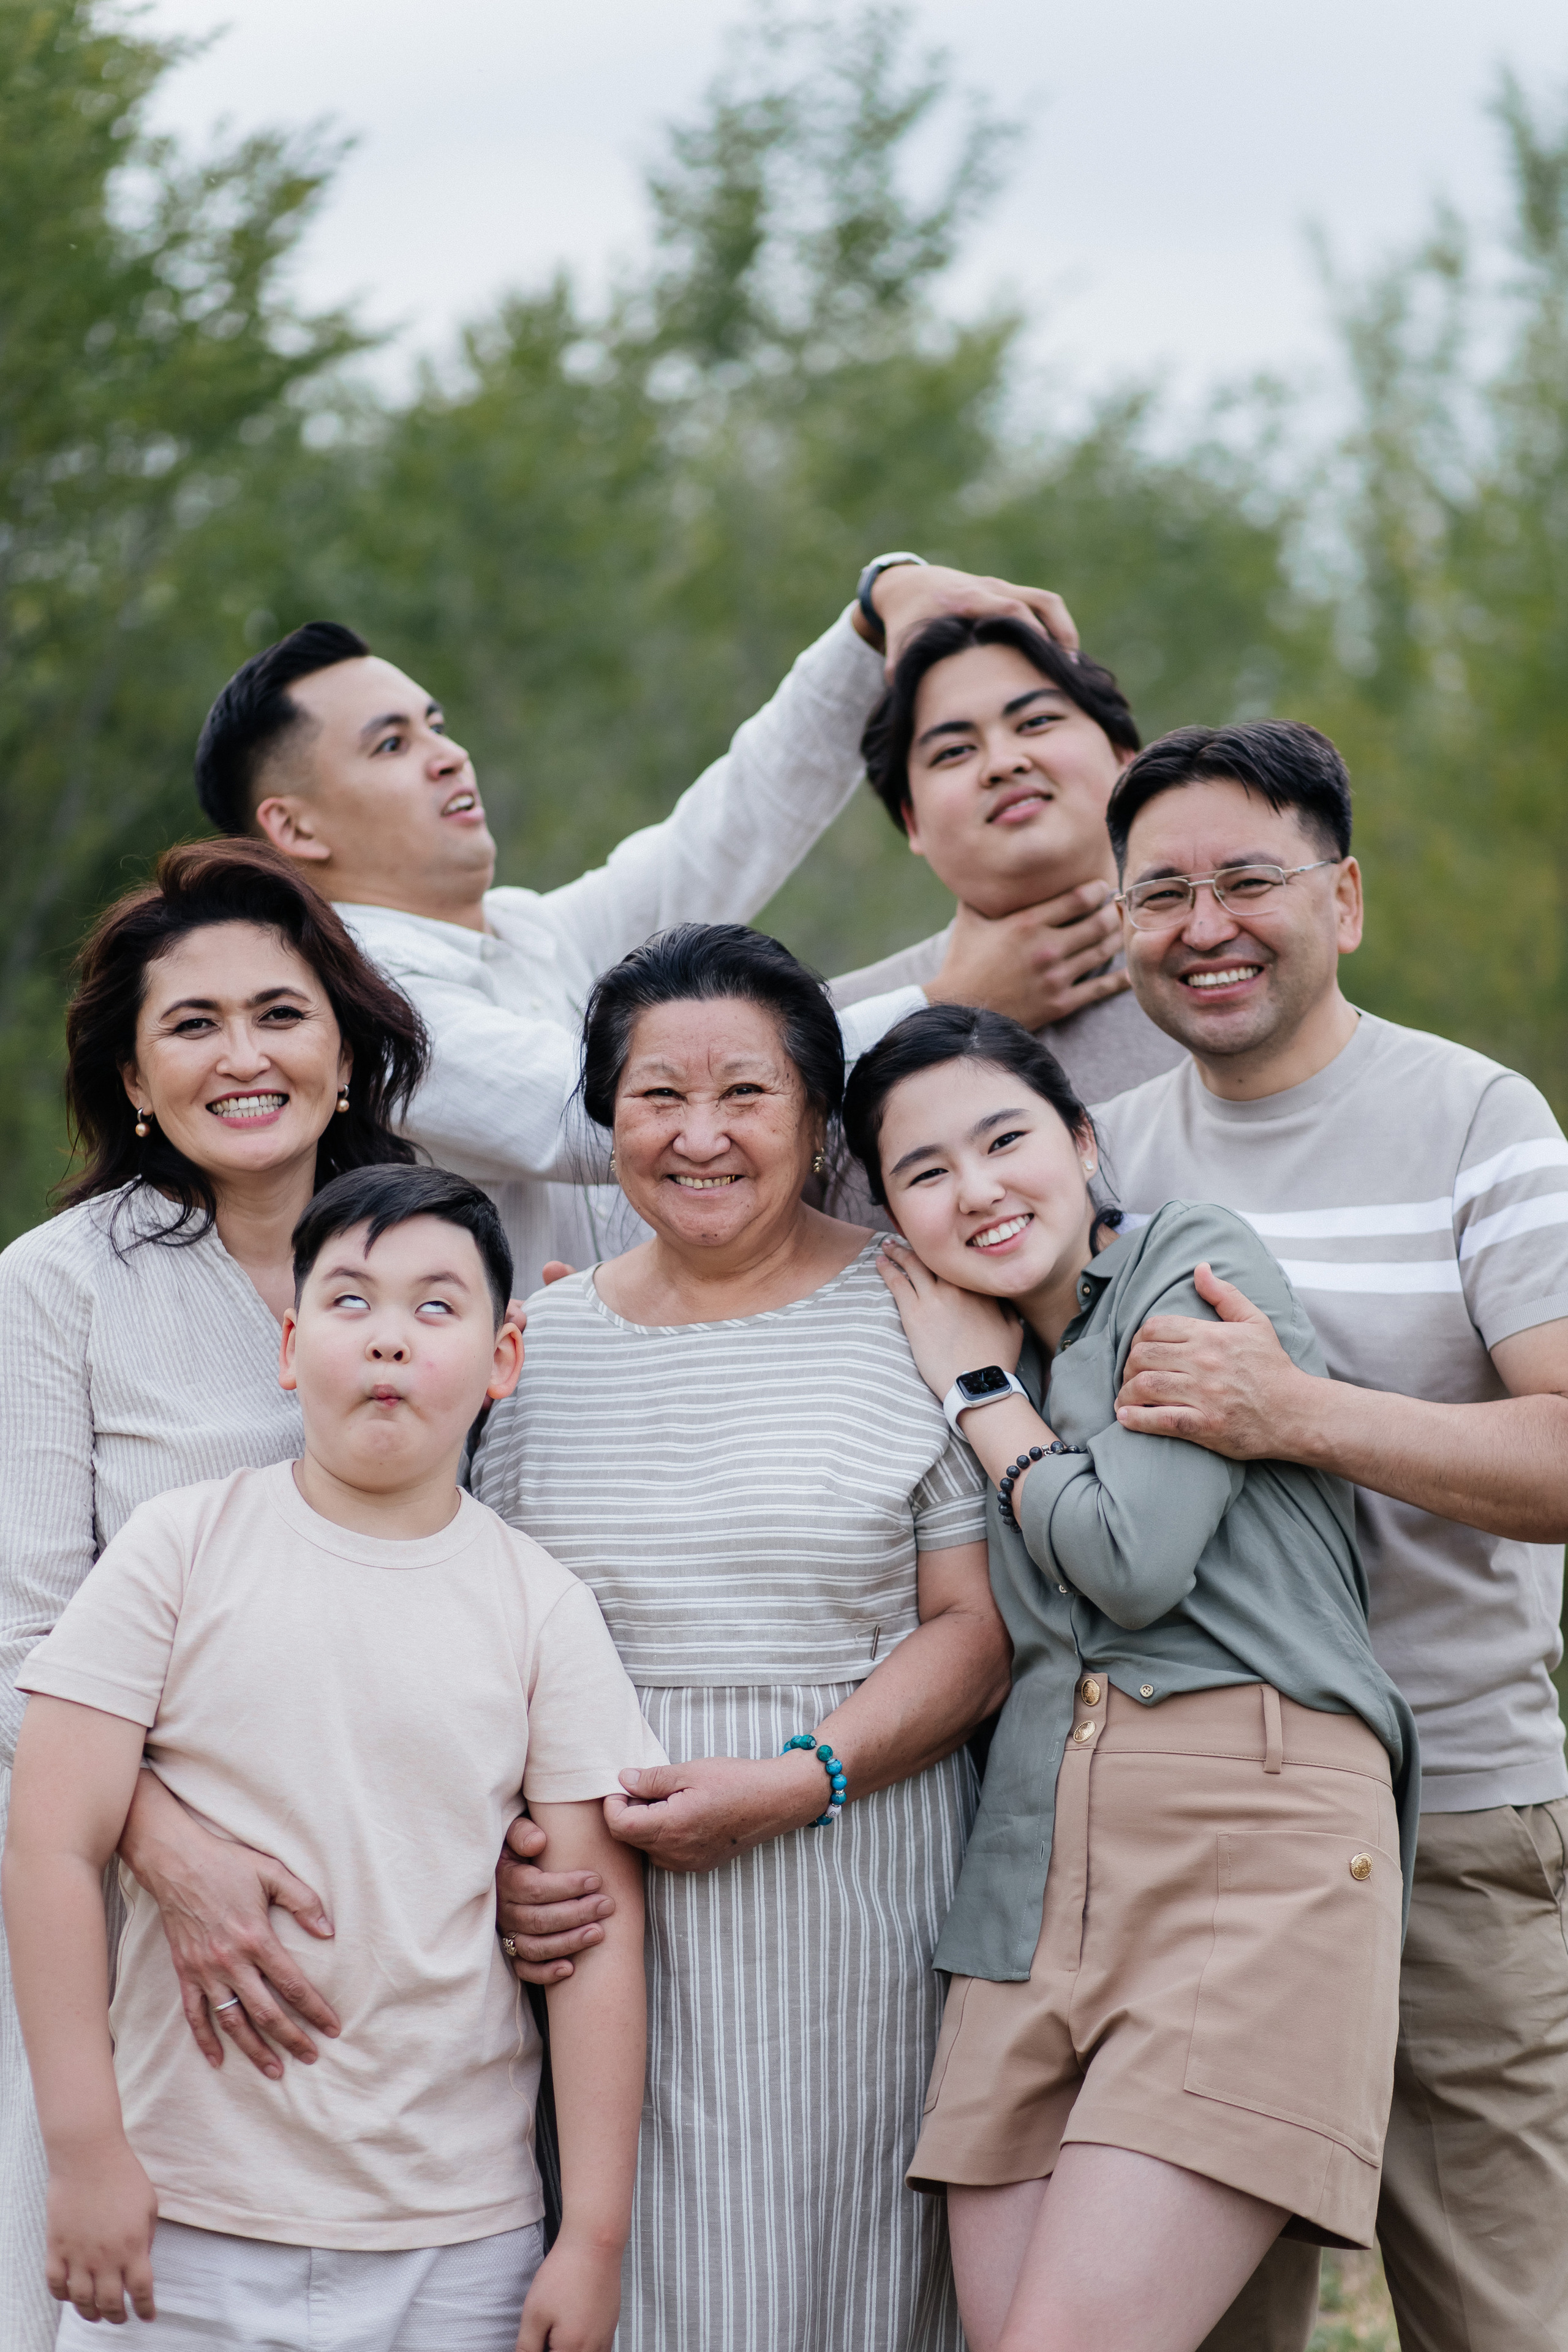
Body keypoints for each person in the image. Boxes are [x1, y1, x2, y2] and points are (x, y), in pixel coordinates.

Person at [840, 1001, 1417, 2352]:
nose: (974, 1190)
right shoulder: (943, 1331)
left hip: (1247, 1834)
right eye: (923, 1173)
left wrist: (979, 1395)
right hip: (1026, 1877)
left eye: (1004, 1141)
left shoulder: (1184, 1264)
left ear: (1083, 1139)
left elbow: (1132, 1556)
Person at [469, 922, 1012, 2351]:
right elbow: (482, 1654)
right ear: (604, 1118)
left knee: (845, 2279)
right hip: (602, 1928)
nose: (697, 1135)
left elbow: (973, 1629)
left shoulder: (913, 1304)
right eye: (655, 1095)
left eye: (745, 1095)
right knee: (638, 2281)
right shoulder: (536, 1346)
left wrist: (796, 1776)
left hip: (858, 1891)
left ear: (818, 1117)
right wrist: (512, 1858)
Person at [1093, 718, 1568, 2352]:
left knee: (1504, 2314)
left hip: (1458, 1808)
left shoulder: (1476, 1117)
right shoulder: (1105, 1165)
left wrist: (1291, 1410)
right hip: (1193, 1838)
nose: (1204, 926)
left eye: (1249, 881)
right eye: (1160, 894)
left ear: (1344, 899)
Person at [4, 1163, 657, 2350]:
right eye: (351, 1303)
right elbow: (50, 1840)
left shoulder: (540, 1606)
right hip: (180, 2217)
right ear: (291, 1345)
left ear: (503, 1359)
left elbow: (596, 1928)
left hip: (454, 2238)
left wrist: (593, 2236)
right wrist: (85, 2150)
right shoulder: (179, 1547)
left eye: (436, 1307)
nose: (391, 1341)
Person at [194, 561, 1093, 1294]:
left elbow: (730, 830)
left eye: (436, 724)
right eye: (392, 745)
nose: (448, 754)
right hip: (504, 1436)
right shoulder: (340, 997)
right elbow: (589, 1120)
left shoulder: (525, 930)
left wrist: (872, 611)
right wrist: (945, 1001)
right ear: (295, 828)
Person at [0, 840, 434, 2352]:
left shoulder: (440, 1261)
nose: (242, 1056)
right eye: (192, 1025)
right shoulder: (57, 1286)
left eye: (279, 1011)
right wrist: (173, 1857)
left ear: (341, 1038)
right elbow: (19, 1648)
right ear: (131, 1072)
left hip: (403, 1908)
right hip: (117, 1917)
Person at [828, 612, 1185, 1158]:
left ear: (1124, 757)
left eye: (1037, 722)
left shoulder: (1218, 962)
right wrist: (955, 1006)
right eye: (953, 751)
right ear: (912, 821)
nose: (1003, 763)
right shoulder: (835, 1030)